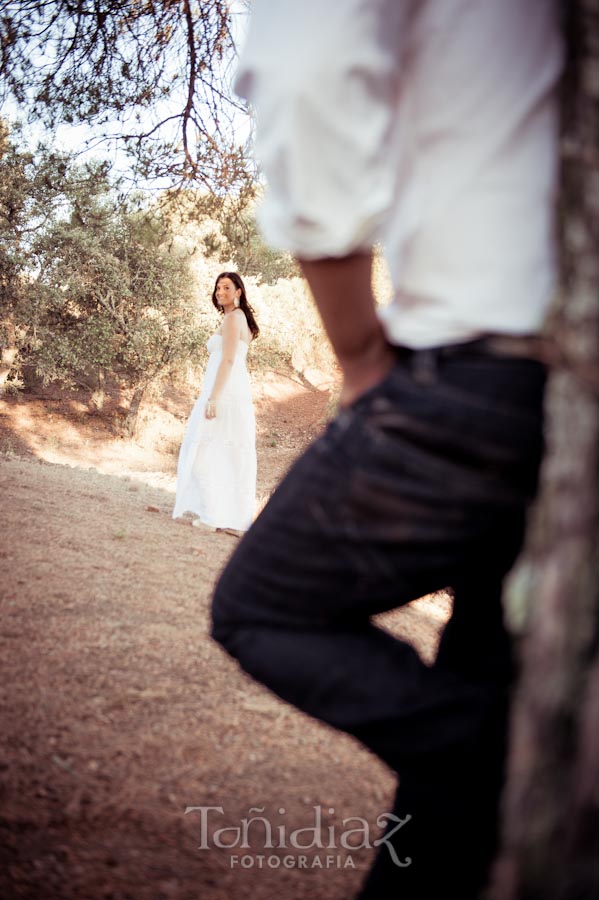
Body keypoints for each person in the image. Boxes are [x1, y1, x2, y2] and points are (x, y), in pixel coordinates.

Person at [211, 2, 563, 897]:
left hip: (475, 370)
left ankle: (514, 762)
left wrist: (359, 347)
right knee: (487, 659)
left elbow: (304, 69)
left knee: (259, 607)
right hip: (565, 394)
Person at [172, 272, 259, 533]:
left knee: (206, 450)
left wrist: (214, 397)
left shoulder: (234, 318)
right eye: (218, 287)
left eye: (226, 287)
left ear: (238, 292)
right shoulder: (235, 317)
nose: (220, 292)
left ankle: (214, 516)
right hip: (231, 390)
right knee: (222, 451)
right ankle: (225, 515)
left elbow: (229, 360)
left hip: (225, 393)